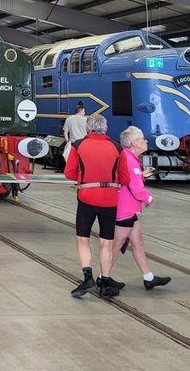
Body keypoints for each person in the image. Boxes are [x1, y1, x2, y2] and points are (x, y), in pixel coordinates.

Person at [64, 114, 130, 298]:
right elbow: (125, 179)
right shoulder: (117, 148)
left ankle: (88, 278)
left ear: (87, 128)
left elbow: (69, 173)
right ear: (105, 129)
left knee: (82, 239)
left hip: (86, 198)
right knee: (106, 242)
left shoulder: (78, 146)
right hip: (110, 200)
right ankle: (106, 283)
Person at [109, 126, 171, 291]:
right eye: (142, 139)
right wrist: (148, 197)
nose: (146, 141)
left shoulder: (129, 157)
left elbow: (131, 179)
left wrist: (141, 175)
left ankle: (148, 277)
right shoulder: (129, 160)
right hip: (125, 209)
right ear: (134, 143)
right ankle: (104, 277)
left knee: (138, 242)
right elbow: (135, 188)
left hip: (129, 208)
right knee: (117, 244)